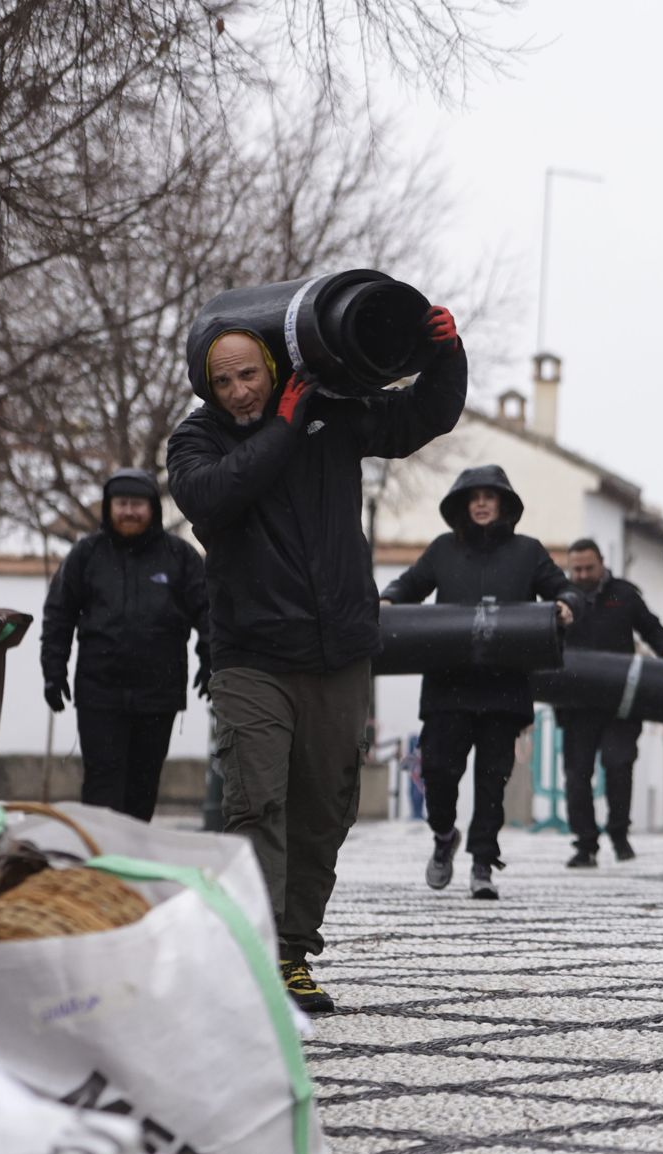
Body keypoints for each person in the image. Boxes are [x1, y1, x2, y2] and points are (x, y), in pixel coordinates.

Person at [167, 301, 465, 1015]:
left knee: (325, 807)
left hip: (339, 652)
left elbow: (422, 416)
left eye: (250, 374)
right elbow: (215, 494)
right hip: (253, 658)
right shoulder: (196, 440)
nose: (240, 389)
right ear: (208, 386)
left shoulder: (328, 418)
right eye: (225, 379)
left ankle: (294, 950)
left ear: (271, 367)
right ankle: (260, 953)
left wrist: (446, 352)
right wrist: (285, 424)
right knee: (257, 801)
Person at [380, 466, 578, 900]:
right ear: (463, 505)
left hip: (504, 689)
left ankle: (483, 862)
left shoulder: (528, 552)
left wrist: (564, 604)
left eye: (491, 496)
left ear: (504, 504)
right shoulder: (443, 550)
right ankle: (443, 835)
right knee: (436, 771)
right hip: (447, 685)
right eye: (475, 497)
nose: (483, 503)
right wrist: (389, 599)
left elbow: (563, 588)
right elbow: (409, 584)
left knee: (492, 780)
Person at [40, 469, 211, 822]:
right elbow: (59, 615)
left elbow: (209, 613)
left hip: (158, 695)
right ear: (109, 508)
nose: (129, 512)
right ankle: (100, 867)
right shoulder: (86, 555)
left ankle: (131, 865)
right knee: (102, 785)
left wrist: (211, 660)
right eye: (122, 504)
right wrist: (53, 671)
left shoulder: (179, 557)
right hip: (99, 693)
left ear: (153, 509)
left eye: (137, 504)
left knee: (142, 786)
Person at [557, 537, 663, 868]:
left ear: (602, 563)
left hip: (622, 701)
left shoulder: (624, 594)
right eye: (577, 569)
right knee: (577, 774)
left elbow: (651, 628)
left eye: (589, 568)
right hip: (576, 703)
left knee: (619, 766)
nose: (582, 574)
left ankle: (619, 834)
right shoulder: (560, 599)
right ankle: (585, 844)